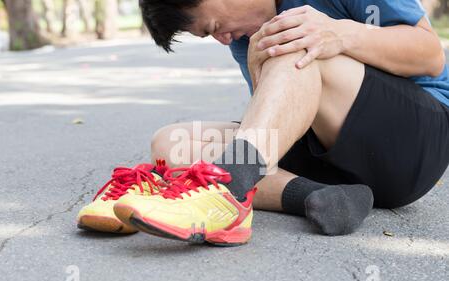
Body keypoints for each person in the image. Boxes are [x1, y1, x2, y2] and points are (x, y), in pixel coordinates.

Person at [78, 0, 449, 246]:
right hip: (335, 160)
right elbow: (283, 119)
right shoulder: (247, 38)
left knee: (295, 42)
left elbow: (431, 54)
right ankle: (321, 197)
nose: (223, 40)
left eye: (214, 26)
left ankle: (227, 193)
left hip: (415, 144)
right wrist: (257, 69)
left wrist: (341, 33)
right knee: (171, 142)